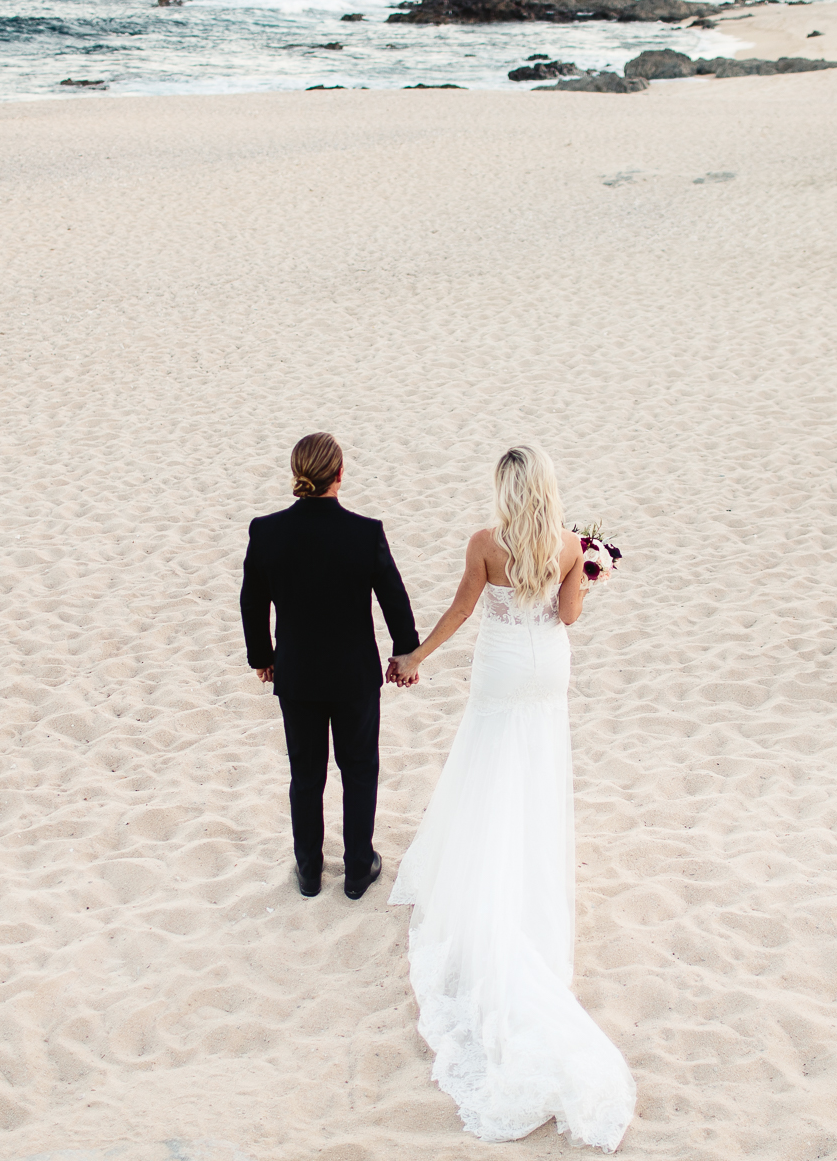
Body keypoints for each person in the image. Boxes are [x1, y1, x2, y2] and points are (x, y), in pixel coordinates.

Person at [386, 445, 636, 1152]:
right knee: (535, 765)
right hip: (545, 670)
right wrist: (589, 569)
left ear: (504, 489)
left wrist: (414, 657)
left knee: (486, 759)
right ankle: (524, 857)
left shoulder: (484, 545)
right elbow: (570, 616)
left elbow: (463, 610)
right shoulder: (565, 545)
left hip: (500, 669)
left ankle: (483, 869)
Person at [239, 432, 419, 900]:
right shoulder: (365, 532)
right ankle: (359, 869)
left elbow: (252, 604)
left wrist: (262, 658)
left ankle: (309, 869)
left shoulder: (266, 531)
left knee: (306, 773)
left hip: (296, 674)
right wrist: (406, 652)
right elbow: (394, 597)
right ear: (340, 474)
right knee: (359, 769)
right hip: (354, 675)